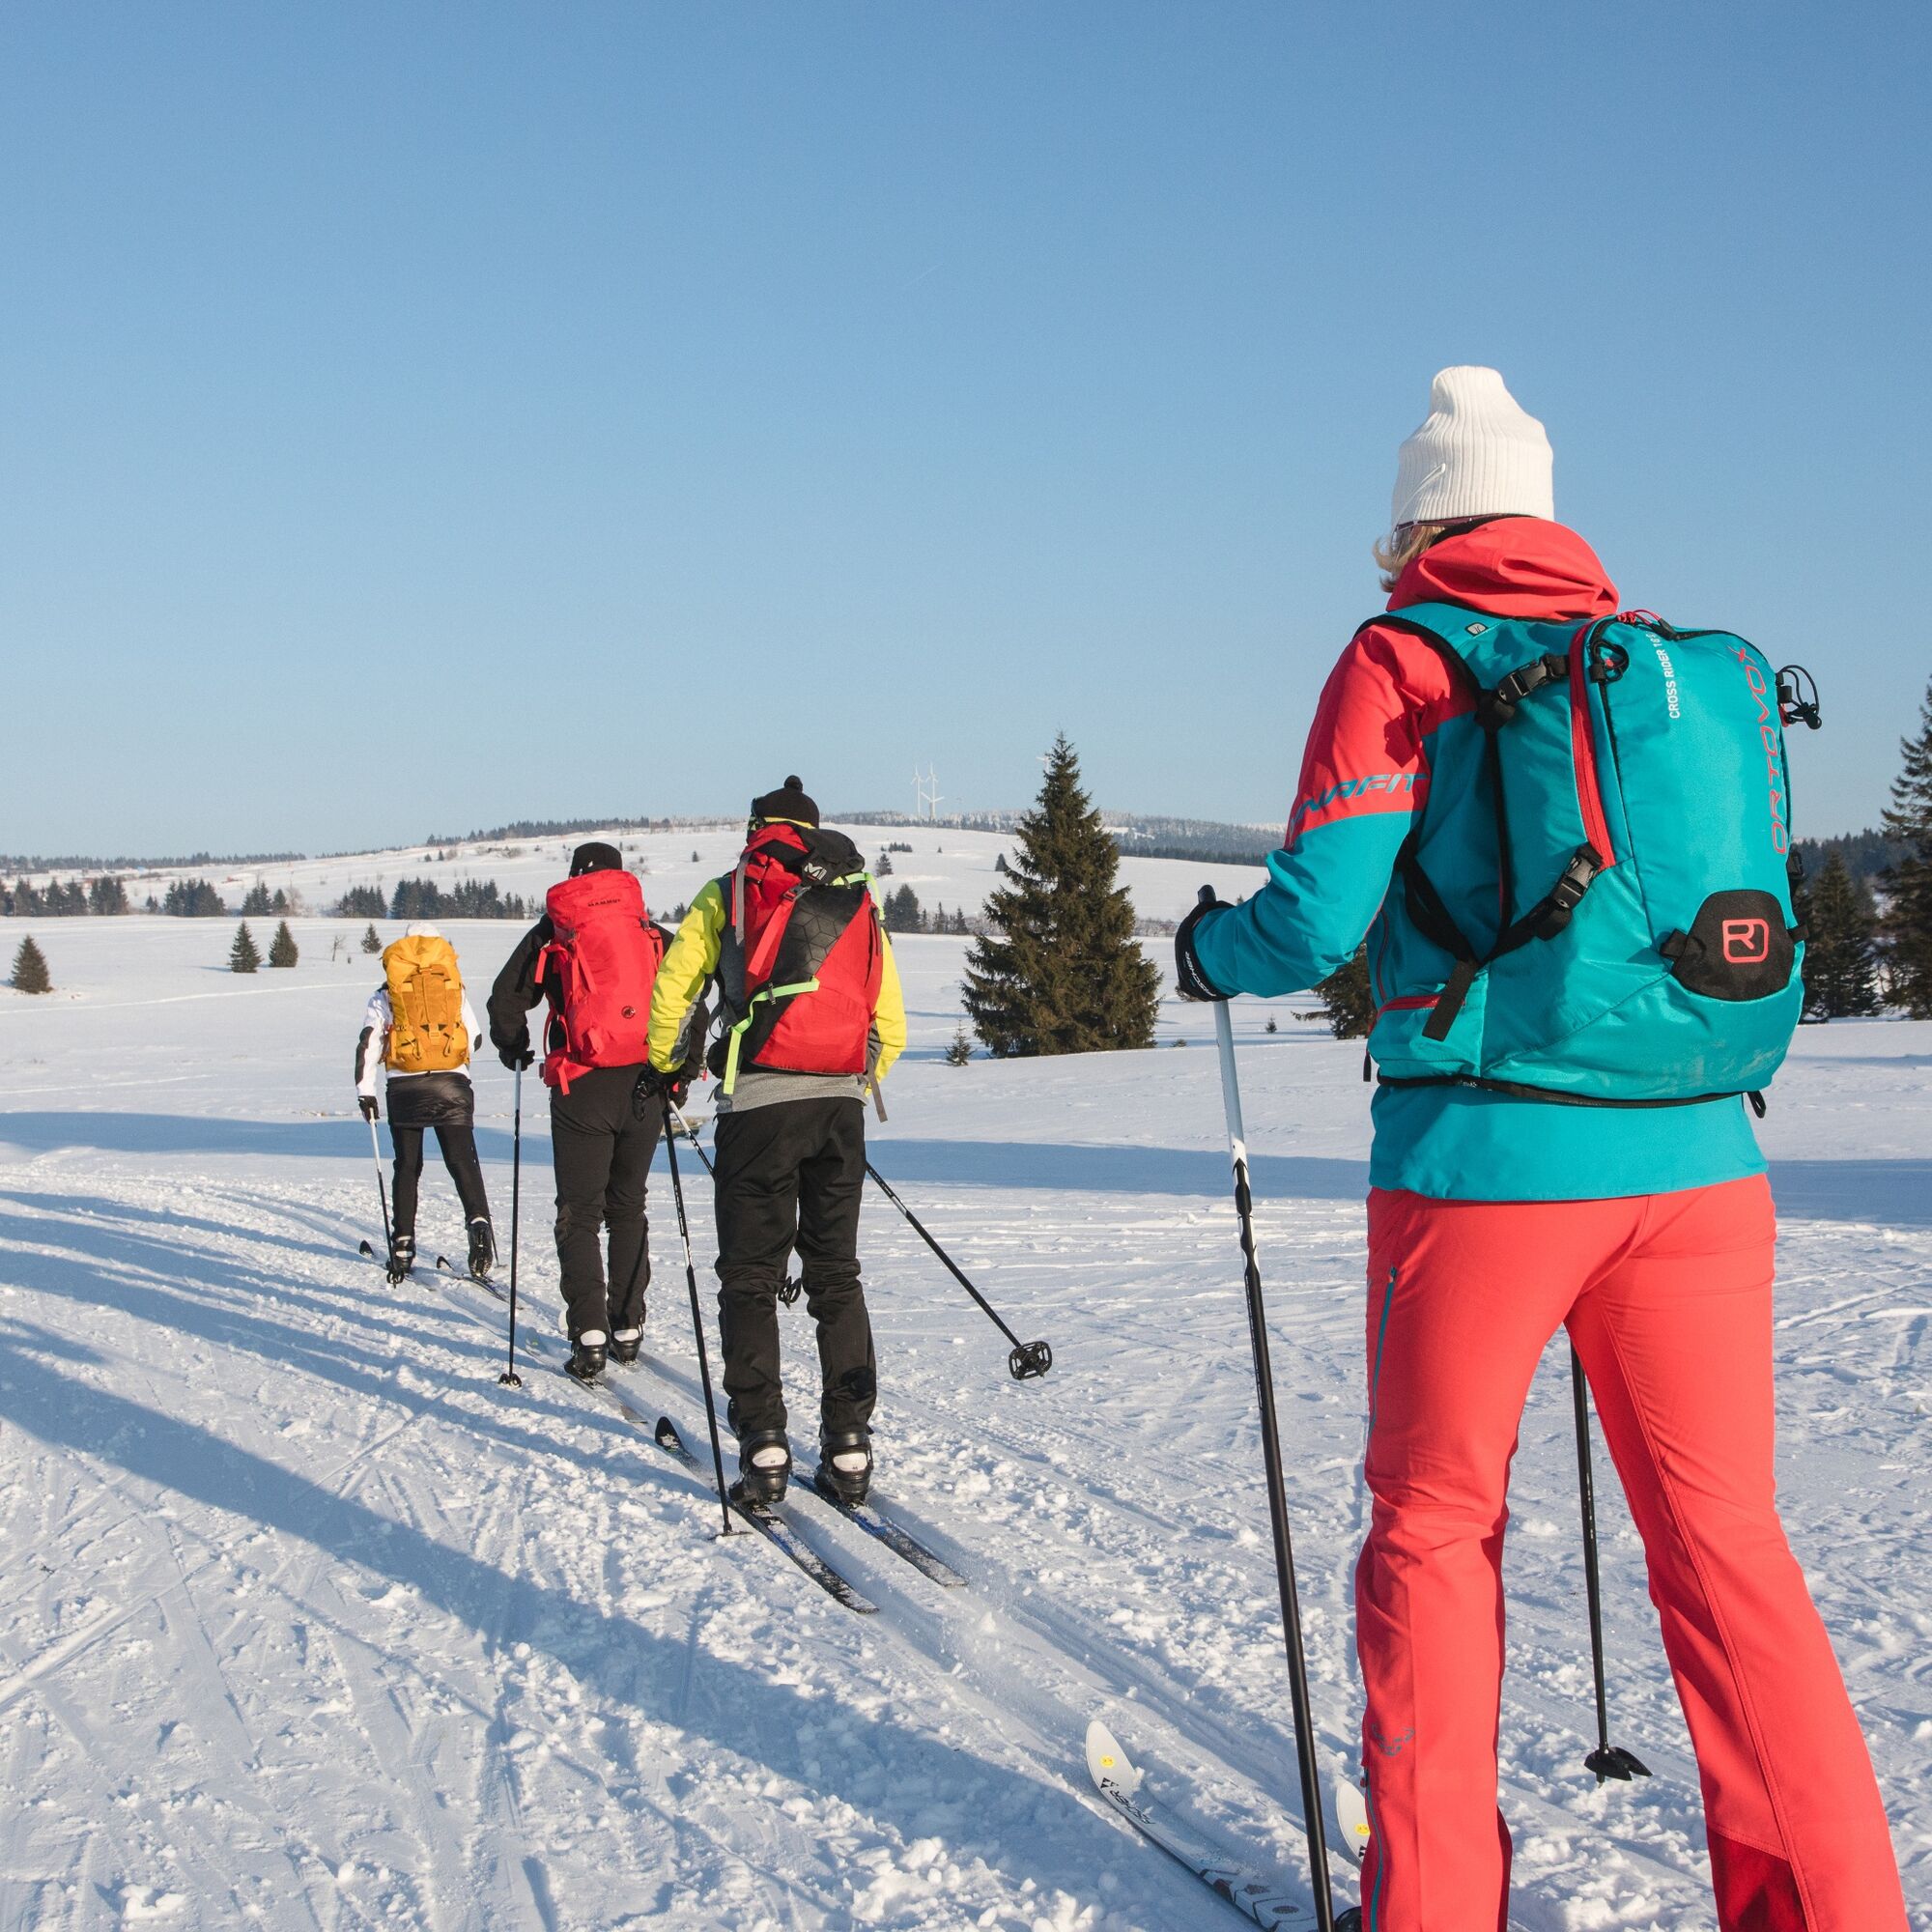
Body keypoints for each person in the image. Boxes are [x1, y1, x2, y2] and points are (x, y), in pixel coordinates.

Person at [1174, 368, 1907, 1931]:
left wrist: (1208, 952)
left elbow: (1317, 917)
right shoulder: (1646, 667)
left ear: (1416, 523)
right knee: (1728, 1552)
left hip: (1487, 1169)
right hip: (1702, 1160)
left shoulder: (1405, 654)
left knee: (1436, 1540)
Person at [642, 778, 906, 1507]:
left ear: (756, 828)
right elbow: (890, 1020)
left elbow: (673, 992)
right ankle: (849, 1444)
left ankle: (763, 1442)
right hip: (840, 1107)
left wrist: (667, 1068)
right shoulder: (857, 897)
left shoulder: (730, 892)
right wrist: (850, 1083)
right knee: (836, 1274)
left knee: (750, 1277)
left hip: (757, 1106)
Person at [488, 841, 674, 1382]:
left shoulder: (557, 928)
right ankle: (628, 1327)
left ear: (574, 877)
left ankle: (589, 1332)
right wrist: (679, 1071)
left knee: (580, 1212)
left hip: (581, 1084)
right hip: (645, 1084)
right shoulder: (648, 931)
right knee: (628, 1207)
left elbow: (506, 998)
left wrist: (514, 1046)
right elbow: (691, 997)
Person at [355, 923, 493, 1285]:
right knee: (462, 1161)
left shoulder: (387, 992)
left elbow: (369, 1042)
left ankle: (403, 1244)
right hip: (452, 1085)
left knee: (407, 1166)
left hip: (405, 1087)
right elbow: (475, 1038)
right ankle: (478, 1222)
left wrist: (365, 1091)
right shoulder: (453, 986)